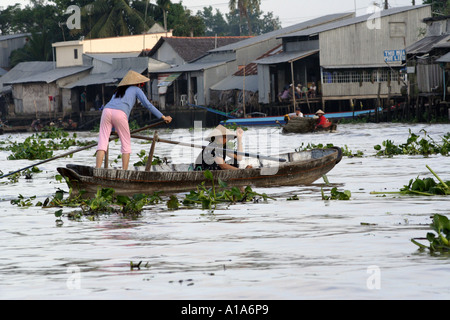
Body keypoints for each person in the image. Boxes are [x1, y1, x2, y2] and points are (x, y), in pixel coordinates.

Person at [95, 70, 172, 170]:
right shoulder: (136, 89)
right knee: (126, 145)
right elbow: (147, 105)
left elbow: (113, 110)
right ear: (137, 83)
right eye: (141, 84)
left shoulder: (118, 90)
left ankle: (97, 170)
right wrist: (163, 117)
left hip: (106, 111)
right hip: (120, 114)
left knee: (102, 143)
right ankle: (125, 172)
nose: (140, 85)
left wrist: (115, 130)